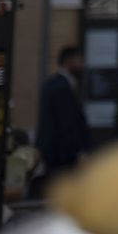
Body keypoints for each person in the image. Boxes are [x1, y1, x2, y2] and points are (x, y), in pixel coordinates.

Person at [35, 46, 91, 180]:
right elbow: (67, 122)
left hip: (54, 151)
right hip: (60, 153)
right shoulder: (61, 86)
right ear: (69, 61)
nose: (82, 64)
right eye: (79, 60)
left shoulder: (53, 83)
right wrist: (79, 150)